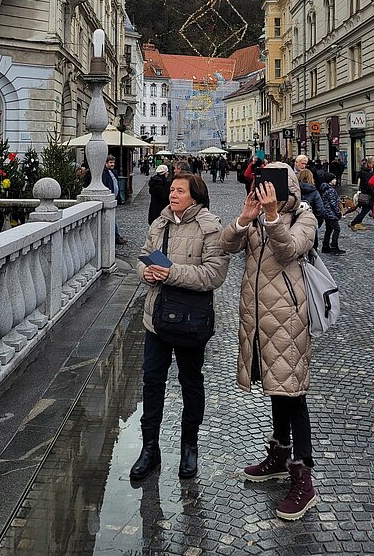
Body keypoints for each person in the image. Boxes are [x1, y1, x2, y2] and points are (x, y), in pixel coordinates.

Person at [220, 162, 318, 522]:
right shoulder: (257, 217)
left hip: (289, 318)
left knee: (293, 393)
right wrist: (245, 217)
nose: (267, 191)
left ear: (289, 187)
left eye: (275, 185)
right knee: (276, 388)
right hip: (257, 317)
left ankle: (303, 479)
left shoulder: (303, 218)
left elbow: (290, 251)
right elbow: (225, 244)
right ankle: (278, 455)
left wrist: (274, 217)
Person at [130, 173, 229, 483]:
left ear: (195, 196)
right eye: (171, 189)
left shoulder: (210, 227)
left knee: (190, 382)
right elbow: (142, 259)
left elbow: (213, 275)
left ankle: (190, 446)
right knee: (152, 381)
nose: (173, 194)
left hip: (190, 320)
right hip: (156, 317)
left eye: (180, 190)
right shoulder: (160, 222)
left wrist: (169, 273)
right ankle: (150, 449)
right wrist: (145, 273)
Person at [102, 155, 128, 245]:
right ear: (106, 163)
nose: (112, 164)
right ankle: (116, 237)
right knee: (113, 219)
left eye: (113, 162)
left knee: (114, 218)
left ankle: (116, 236)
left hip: (114, 198)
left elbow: (115, 183)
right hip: (109, 198)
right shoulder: (104, 173)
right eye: (110, 162)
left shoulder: (114, 172)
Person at [297, 169, 325, 249]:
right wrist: (316, 223)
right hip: (310, 223)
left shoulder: (293, 191)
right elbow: (320, 210)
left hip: (295, 224)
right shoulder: (314, 192)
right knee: (312, 250)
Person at [319, 173, 345, 254]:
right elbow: (333, 204)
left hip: (326, 213)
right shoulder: (331, 190)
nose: (335, 180)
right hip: (331, 213)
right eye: (334, 179)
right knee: (337, 229)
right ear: (330, 180)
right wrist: (338, 213)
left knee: (329, 230)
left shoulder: (324, 188)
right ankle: (334, 246)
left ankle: (325, 246)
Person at [349, 156, 374, 231]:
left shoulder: (365, 171)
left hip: (365, 193)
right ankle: (354, 223)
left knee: (364, 210)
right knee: (365, 210)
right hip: (368, 194)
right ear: (370, 163)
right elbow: (368, 184)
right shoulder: (368, 172)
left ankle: (355, 223)